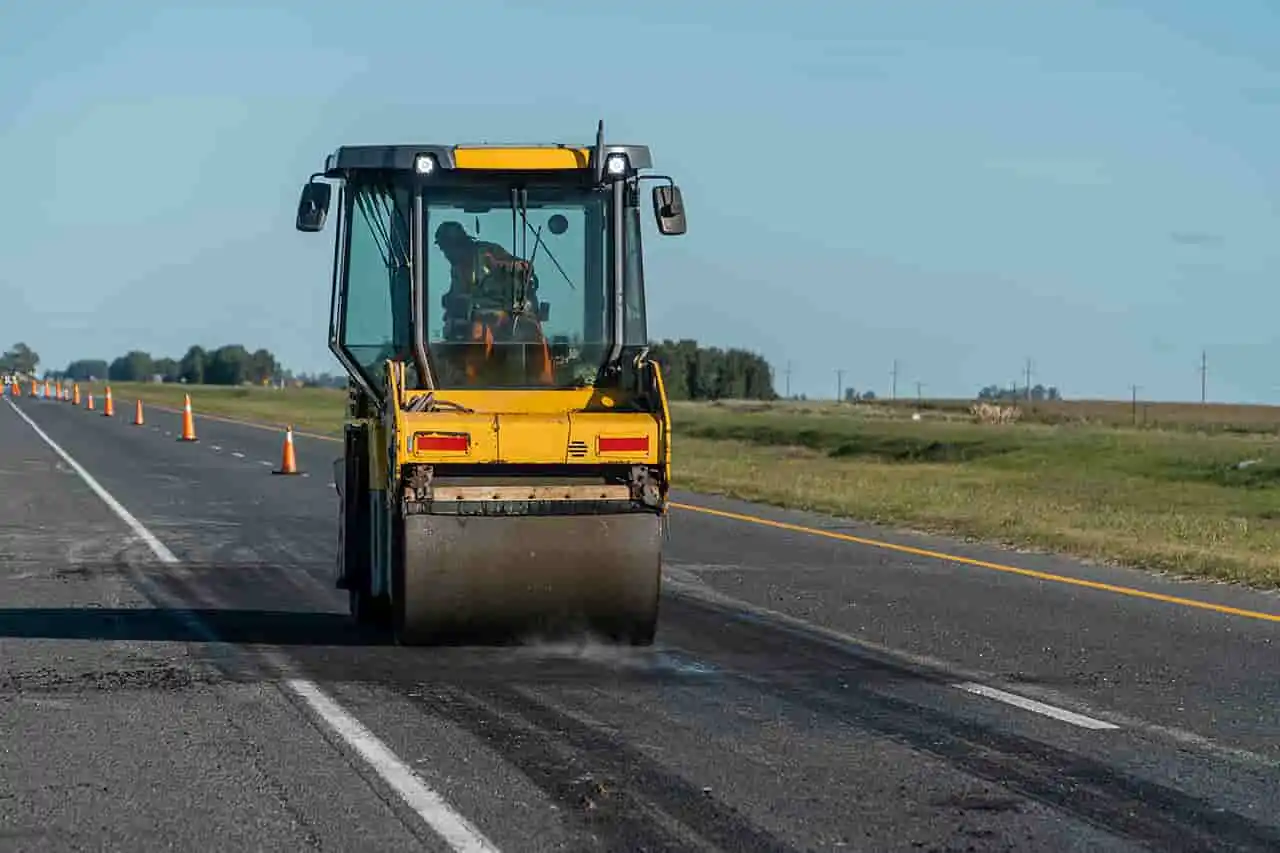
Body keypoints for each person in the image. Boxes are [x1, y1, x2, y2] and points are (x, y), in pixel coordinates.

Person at [432, 220, 553, 384]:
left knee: (532, 332)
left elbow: (523, 267)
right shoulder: (457, 268)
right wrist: (450, 300)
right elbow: (457, 294)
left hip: (506, 313)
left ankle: (544, 383)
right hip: (478, 317)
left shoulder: (487, 252)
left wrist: (503, 265)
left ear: (458, 244)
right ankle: (468, 383)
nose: (446, 254)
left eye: (447, 248)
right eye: (443, 249)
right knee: (476, 332)